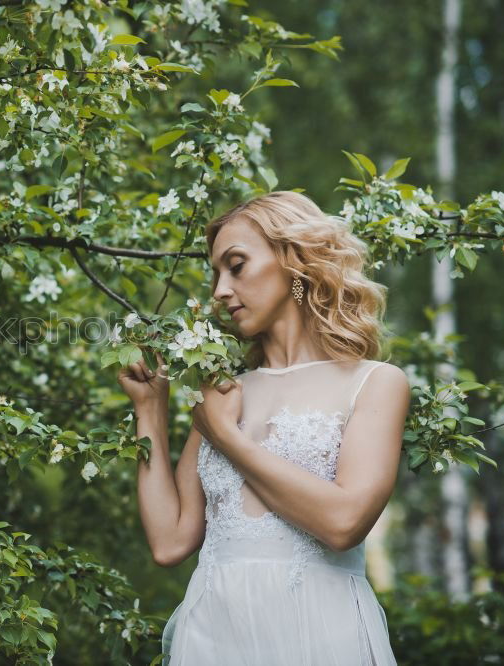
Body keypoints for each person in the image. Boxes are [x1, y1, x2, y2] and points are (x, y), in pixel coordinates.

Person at [118, 191, 410, 665]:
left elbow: (344, 523)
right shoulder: (222, 395)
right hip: (214, 635)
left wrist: (227, 439)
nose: (219, 290)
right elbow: (171, 543)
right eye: (216, 273)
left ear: (294, 263)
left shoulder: (374, 383)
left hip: (317, 631)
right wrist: (150, 412)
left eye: (236, 265)